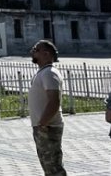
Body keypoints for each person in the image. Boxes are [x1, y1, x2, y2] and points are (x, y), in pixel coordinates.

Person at [29, 40, 66, 176]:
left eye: (36, 50)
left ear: (46, 54)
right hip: (43, 127)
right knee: (48, 166)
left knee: (53, 168)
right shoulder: (43, 72)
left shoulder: (49, 73)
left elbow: (54, 101)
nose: (32, 52)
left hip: (48, 127)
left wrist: (43, 123)